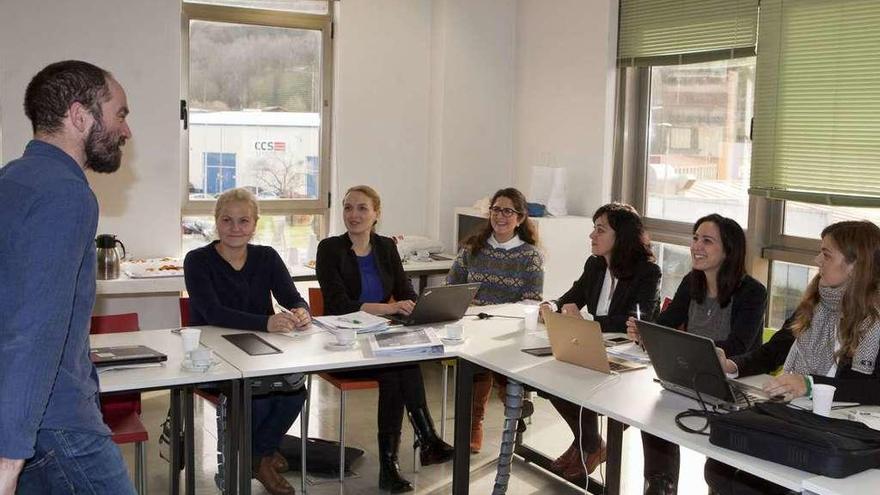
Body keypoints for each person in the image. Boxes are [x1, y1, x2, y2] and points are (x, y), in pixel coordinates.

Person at [0, 60, 135, 494]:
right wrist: (11, 451)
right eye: (120, 114)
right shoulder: (67, 193)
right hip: (55, 422)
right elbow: (36, 326)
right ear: (80, 116)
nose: (126, 131)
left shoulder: (13, 180)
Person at [705, 220, 880, 495]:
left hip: (842, 434)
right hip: (799, 415)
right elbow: (774, 351)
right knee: (718, 467)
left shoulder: (875, 319)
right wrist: (732, 365)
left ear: (855, 265)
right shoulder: (818, 298)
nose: (817, 260)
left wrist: (809, 383)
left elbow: (872, 388)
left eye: (826, 254)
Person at [315, 185, 453, 493]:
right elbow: (338, 304)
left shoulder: (385, 247)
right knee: (397, 369)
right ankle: (420, 443)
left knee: (402, 362)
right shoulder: (330, 248)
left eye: (362, 208)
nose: (354, 215)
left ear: (376, 214)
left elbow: (405, 290)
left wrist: (413, 306)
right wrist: (389, 307)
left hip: (379, 336)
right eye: (348, 207)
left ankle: (403, 456)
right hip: (342, 344)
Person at [626, 213, 767, 495]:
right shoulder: (692, 281)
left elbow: (739, 345)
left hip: (733, 385)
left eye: (707, 240)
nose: (696, 246)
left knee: (715, 466)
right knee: (653, 416)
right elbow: (667, 325)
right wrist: (645, 331)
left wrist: (694, 348)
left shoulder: (752, 291)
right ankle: (660, 484)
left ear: (728, 250)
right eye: (694, 239)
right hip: (689, 374)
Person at [184, 187, 309, 495]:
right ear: (216, 222)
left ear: (255, 224)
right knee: (257, 394)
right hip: (213, 356)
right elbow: (212, 311)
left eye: (243, 221)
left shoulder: (266, 257)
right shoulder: (197, 260)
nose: (235, 228)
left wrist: (301, 311)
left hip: (261, 350)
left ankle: (259, 455)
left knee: (294, 390)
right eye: (227, 220)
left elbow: (292, 297)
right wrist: (266, 322)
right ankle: (262, 458)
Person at [538, 203, 661, 481]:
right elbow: (572, 296)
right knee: (551, 378)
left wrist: (589, 325)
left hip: (631, 356)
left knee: (576, 378)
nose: (592, 236)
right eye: (594, 229)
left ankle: (588, 444)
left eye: (600, 230)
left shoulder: (647, 271)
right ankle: (588, 442)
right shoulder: (594, 265)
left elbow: (634, 321)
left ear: (622, 236)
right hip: (595, 345)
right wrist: (552, 305)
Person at [446, 187, 544, 453]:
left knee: (500, 356)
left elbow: (532, 300)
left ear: (520, 218)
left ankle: (514, 402)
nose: (500, 216)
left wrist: (499, 312)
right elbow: (451, 287)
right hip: (472, 323)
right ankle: (478, 421)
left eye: (508, 211)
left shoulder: (529, 256)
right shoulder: (472, 249)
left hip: (506, 326)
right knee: (476, 364)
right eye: (496, 209)